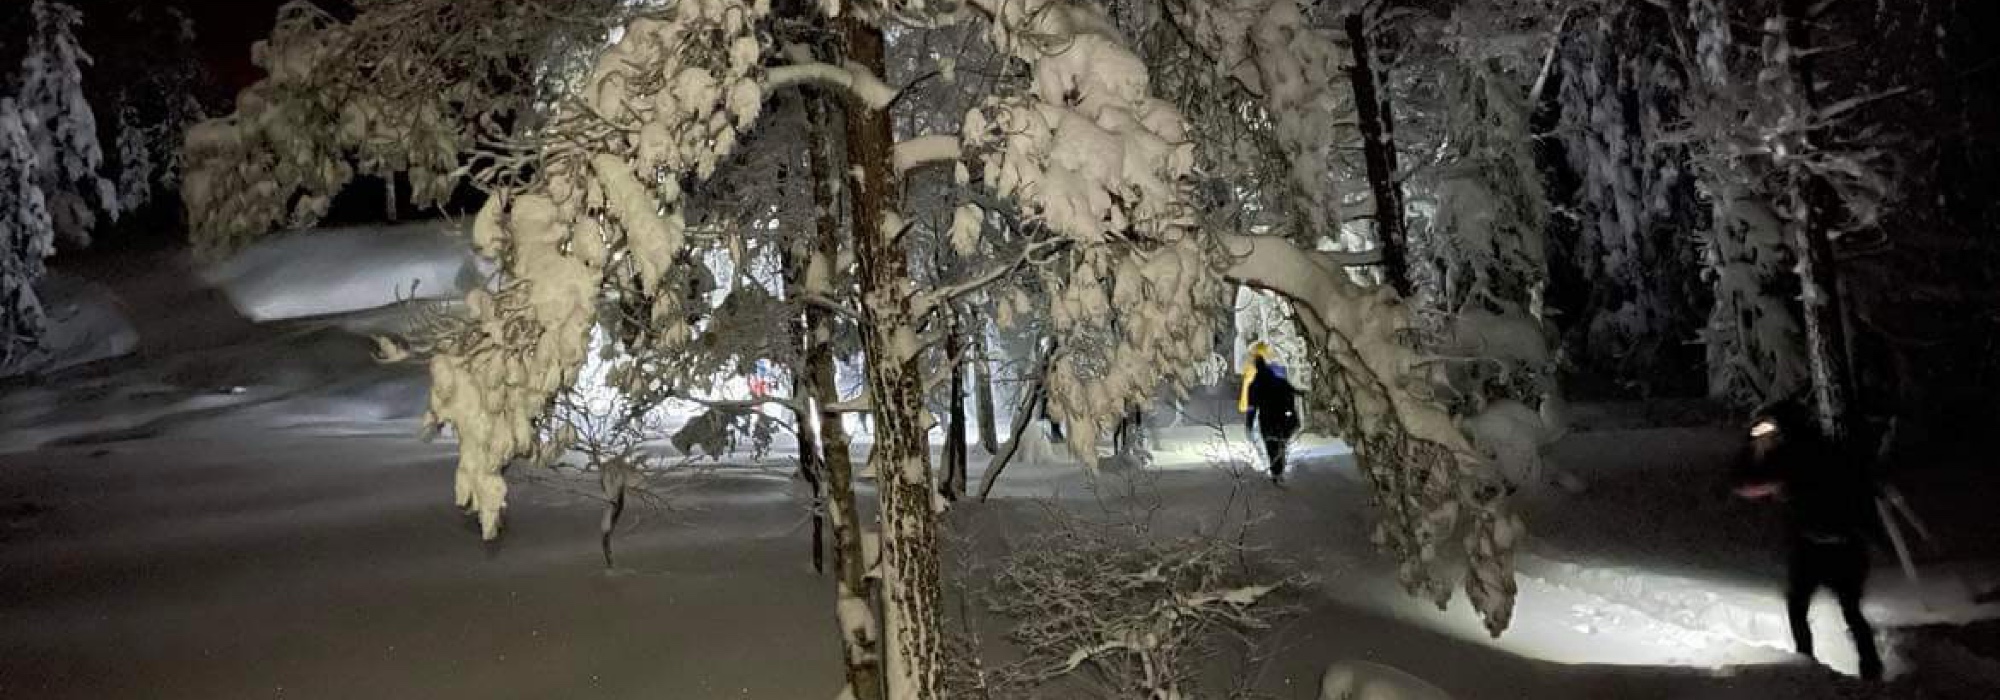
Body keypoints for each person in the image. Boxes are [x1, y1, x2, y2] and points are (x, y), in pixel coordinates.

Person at [1734, 398, 1884, 681]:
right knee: (1849, 610)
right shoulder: (1830, 450)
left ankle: (1810, 665)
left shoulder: (1790, 457)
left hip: (1815, 546)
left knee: (1800, 607)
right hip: (1844, 545)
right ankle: (1870, 668)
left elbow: (1746, 483)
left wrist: (1755, 449)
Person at [1243, 354, 1300, 484]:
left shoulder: (1254, 385)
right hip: (1281, 418)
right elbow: (1291, 392)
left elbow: (1252, 407)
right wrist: (1290, 412)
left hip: (1267, 419)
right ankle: (1279, 469)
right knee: (1281, 443)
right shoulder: (1279, 381)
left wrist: (1249, 423)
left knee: (1271, 446)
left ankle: (1276, 471)